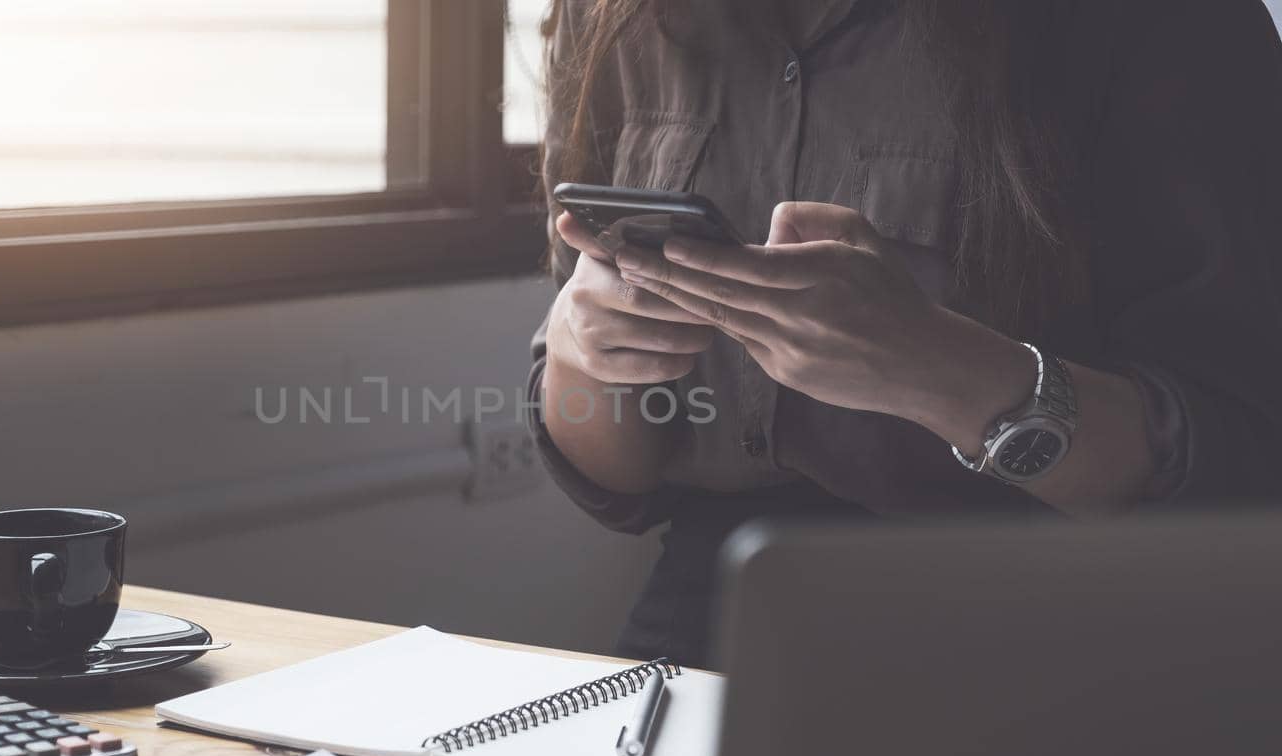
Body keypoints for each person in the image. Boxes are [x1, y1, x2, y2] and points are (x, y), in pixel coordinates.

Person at [528, 0, 1282, 666]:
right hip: (710, 599)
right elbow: (617, 482)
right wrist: (580, 350)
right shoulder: (615, 20)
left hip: (1048, 615)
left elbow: (1234, 463)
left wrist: (935, 366)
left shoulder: (1148, 22)